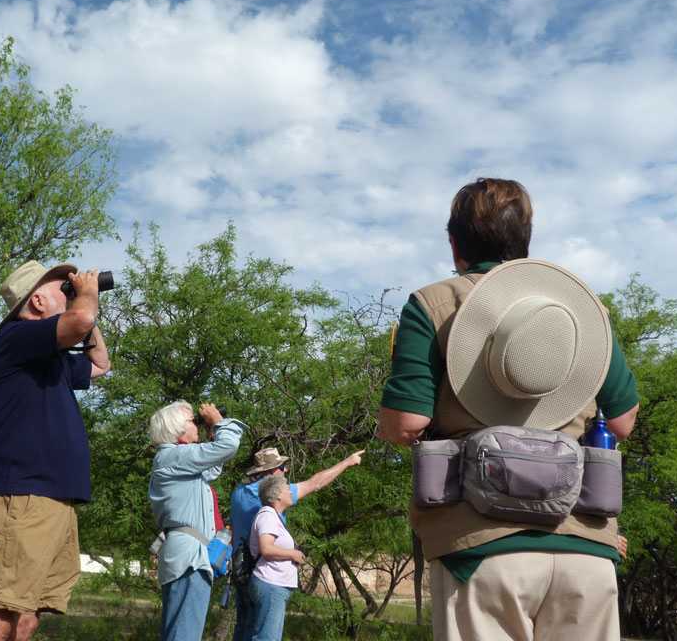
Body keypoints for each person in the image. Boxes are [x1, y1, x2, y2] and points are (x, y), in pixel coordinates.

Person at [378, 178, 640, 641]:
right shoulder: (584, 310)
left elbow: (405, 426)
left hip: (479, 549)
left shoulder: (433, 304)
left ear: (455, 243)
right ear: (525, 240)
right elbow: (620, 422)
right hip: (585, 545)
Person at [0, 261, 111, 641]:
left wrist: (86, 308)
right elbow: (78, 323)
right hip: (22, 495)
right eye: (62, 286)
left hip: (54, 499)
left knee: (28, 618)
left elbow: (100, 364)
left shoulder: (51, 359)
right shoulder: (15, 338)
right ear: (39, 301)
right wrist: (86, 300)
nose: (71, 288)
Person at [230, 447, 364, 641]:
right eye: (281, 467)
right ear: (269, 473)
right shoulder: (271, 495)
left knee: (243, 629)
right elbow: (316, 483)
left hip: (240, 571)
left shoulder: (238, 493)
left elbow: (233, 532)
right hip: (263, 575)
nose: (285, 472)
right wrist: (348, 462)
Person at [149, 401, 247, 641]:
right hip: (189, 559)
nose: (197, 423)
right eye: (192, 420)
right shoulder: (173, 456)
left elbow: (213, 467)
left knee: (178, 633)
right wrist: (219, 421)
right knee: (184, 634)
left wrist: (211, 431)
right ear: (176, 428)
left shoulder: (176, 459)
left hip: (188, 555)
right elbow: (229, 446)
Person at [246, 475, 306, 641]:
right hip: (271, 584)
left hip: (274, 586)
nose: (290, 492)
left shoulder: (273, 517)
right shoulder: (267, 516)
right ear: (278, 494)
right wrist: (293, 554)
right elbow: (266, 548)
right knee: (267, 638)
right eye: (287, 488)